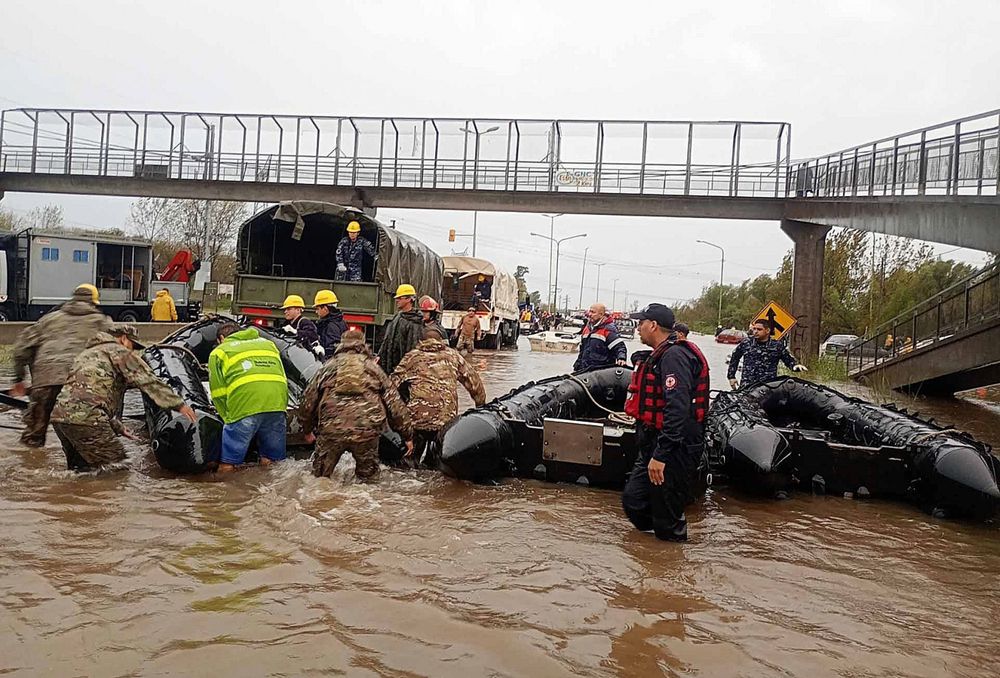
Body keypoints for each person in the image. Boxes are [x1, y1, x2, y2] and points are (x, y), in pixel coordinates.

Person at [50, 324, 197, 471]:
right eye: (133, 346)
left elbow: (87, 397)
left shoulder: (86, 354)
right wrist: (179, 404)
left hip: (60, 419)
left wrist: (117, 427)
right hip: (86, 419)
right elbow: (148, 381)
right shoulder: (119, 352)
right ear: (124, 338)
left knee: (81, 471)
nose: (132, 350)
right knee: (118, 468)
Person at [621, 304, 710, 542]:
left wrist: (662, 455)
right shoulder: (659, 354)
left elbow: (677, 408)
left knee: (667, 511)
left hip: (674, 447)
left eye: (641, 323)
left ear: (653, 325)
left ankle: (670, 563)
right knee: (634, 500)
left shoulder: (675, 357)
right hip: (653, 440)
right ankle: (653, 554)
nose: (637, 328)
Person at [299, 330, 413, 481]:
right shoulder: (374, 369)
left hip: (332, 430)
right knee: (368, 481)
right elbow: (395, 405)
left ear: (341, 344)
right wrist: (407, 435)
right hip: (366, 432)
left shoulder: (326, 368)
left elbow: (308, 402)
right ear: (363, 344)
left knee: (319, 479)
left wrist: (307, 430)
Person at [11, 283, 113, 448]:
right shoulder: (101, 322)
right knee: (82, 438)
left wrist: (19, 378)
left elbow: (21, 348)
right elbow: (114, 352)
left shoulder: (48, 320)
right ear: (94, 302)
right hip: (78, 385)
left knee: (33, 438)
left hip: (44, 382)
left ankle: (30, 468)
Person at [391, 328, 486, 468]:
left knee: (409, 464)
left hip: (417, 420)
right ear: (442, 341)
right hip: (445, 421)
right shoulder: (453, 356)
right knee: (440, 463)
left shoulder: (412, 357)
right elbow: (474, 382)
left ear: (420, 341)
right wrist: (481, 405)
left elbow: (391, 386)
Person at [209, 322, 289, 473]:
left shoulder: (220, 352)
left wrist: (228, 417)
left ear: (221, 338)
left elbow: (218, 392)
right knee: (274, 462)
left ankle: (225, 492)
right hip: (277, 404)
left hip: (245, 406)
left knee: (229, 463)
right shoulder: (269, 345)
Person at [727, 317, 807, 389]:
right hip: (747, 385)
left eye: (759, 329)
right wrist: (731, 377)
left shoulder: (776, 346)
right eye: (754, 329)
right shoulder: (746, 343)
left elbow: (788, 360)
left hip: (768, 388)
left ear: (767, 330)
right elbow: (735, 358)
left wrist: (795, 366)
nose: (755, 332)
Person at [377, 284, 424, 374]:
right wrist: (380, 356)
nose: (396, 300)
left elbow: (412, 350)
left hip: (403, 372)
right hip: (390, 370)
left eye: (399, 298)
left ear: (409, 299)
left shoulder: (414, 323)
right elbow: (387, 340)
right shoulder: (397, 317)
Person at [573, 303, 628, 372]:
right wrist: (578, 364)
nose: (589, 314)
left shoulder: (608, 330)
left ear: (601, 314)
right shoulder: (587, 329)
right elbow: (582, 350)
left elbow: (620, 347)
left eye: (593, 312)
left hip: (601, 372)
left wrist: (621, 358)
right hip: (585, 370)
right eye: (589, 311)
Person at [313, 289, 348, 357]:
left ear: (325, 308)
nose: (316, 312)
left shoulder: (330, 326)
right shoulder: (340, 321)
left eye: (317, 308)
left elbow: (331, 351)